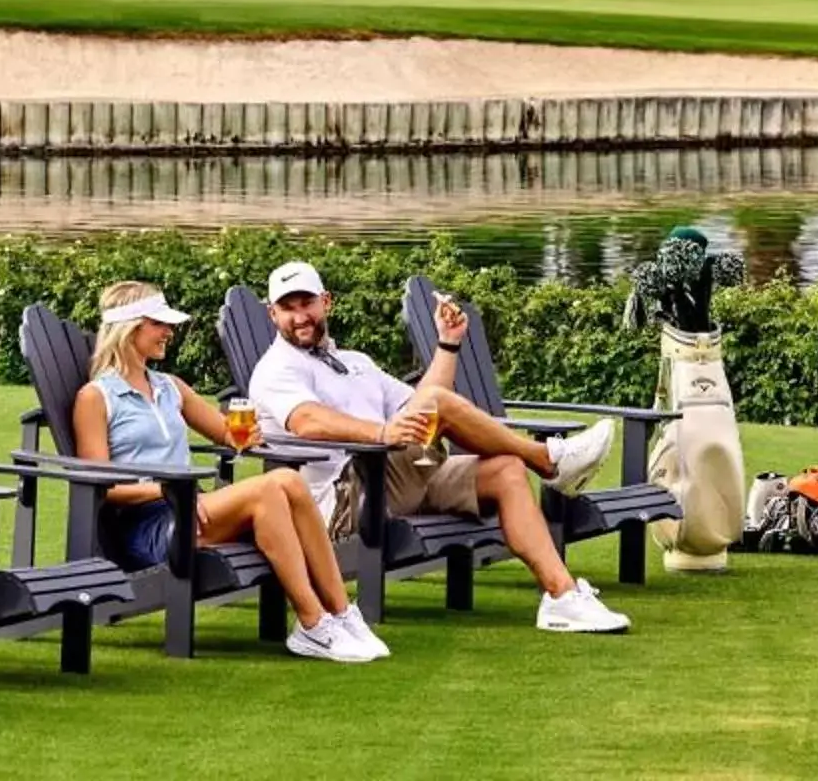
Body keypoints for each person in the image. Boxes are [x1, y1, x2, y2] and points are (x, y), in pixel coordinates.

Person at [245, 258, 631, 635]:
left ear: (325, 302)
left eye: (306, 304)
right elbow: (306, 420)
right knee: (439, 409)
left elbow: (422, 400)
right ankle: (548, 461)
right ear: (271, 314)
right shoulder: (277, 368)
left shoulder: (355, 362)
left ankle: (561, 597)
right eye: (287, 308)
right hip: (346, 500)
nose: (299, 317)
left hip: (402, 475)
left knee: (505, 472)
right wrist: (382, 433)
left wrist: (448, 344)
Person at [69, 280, 387, 664]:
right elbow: (102, 485)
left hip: (191, 507)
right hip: (148, 527)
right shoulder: (96, 397)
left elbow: (227, 433)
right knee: (270, 489)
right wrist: (168, 490)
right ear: (131, 327)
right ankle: (312, 622)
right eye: (160, 324)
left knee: (286, 480)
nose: (170, 332)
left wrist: (246, 434)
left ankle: (340, 614)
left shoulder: (171, 387)